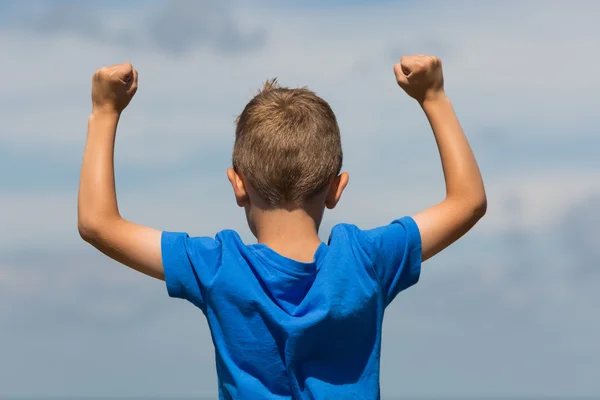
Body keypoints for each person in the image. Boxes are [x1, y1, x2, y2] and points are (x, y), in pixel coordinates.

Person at [78, 55, 486, 399]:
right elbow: (467, 202)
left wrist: (104, 111)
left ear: (238, 185)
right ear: (336, 188)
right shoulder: (367, 261)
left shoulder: (218, 268)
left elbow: (98, 224)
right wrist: (433, 96)